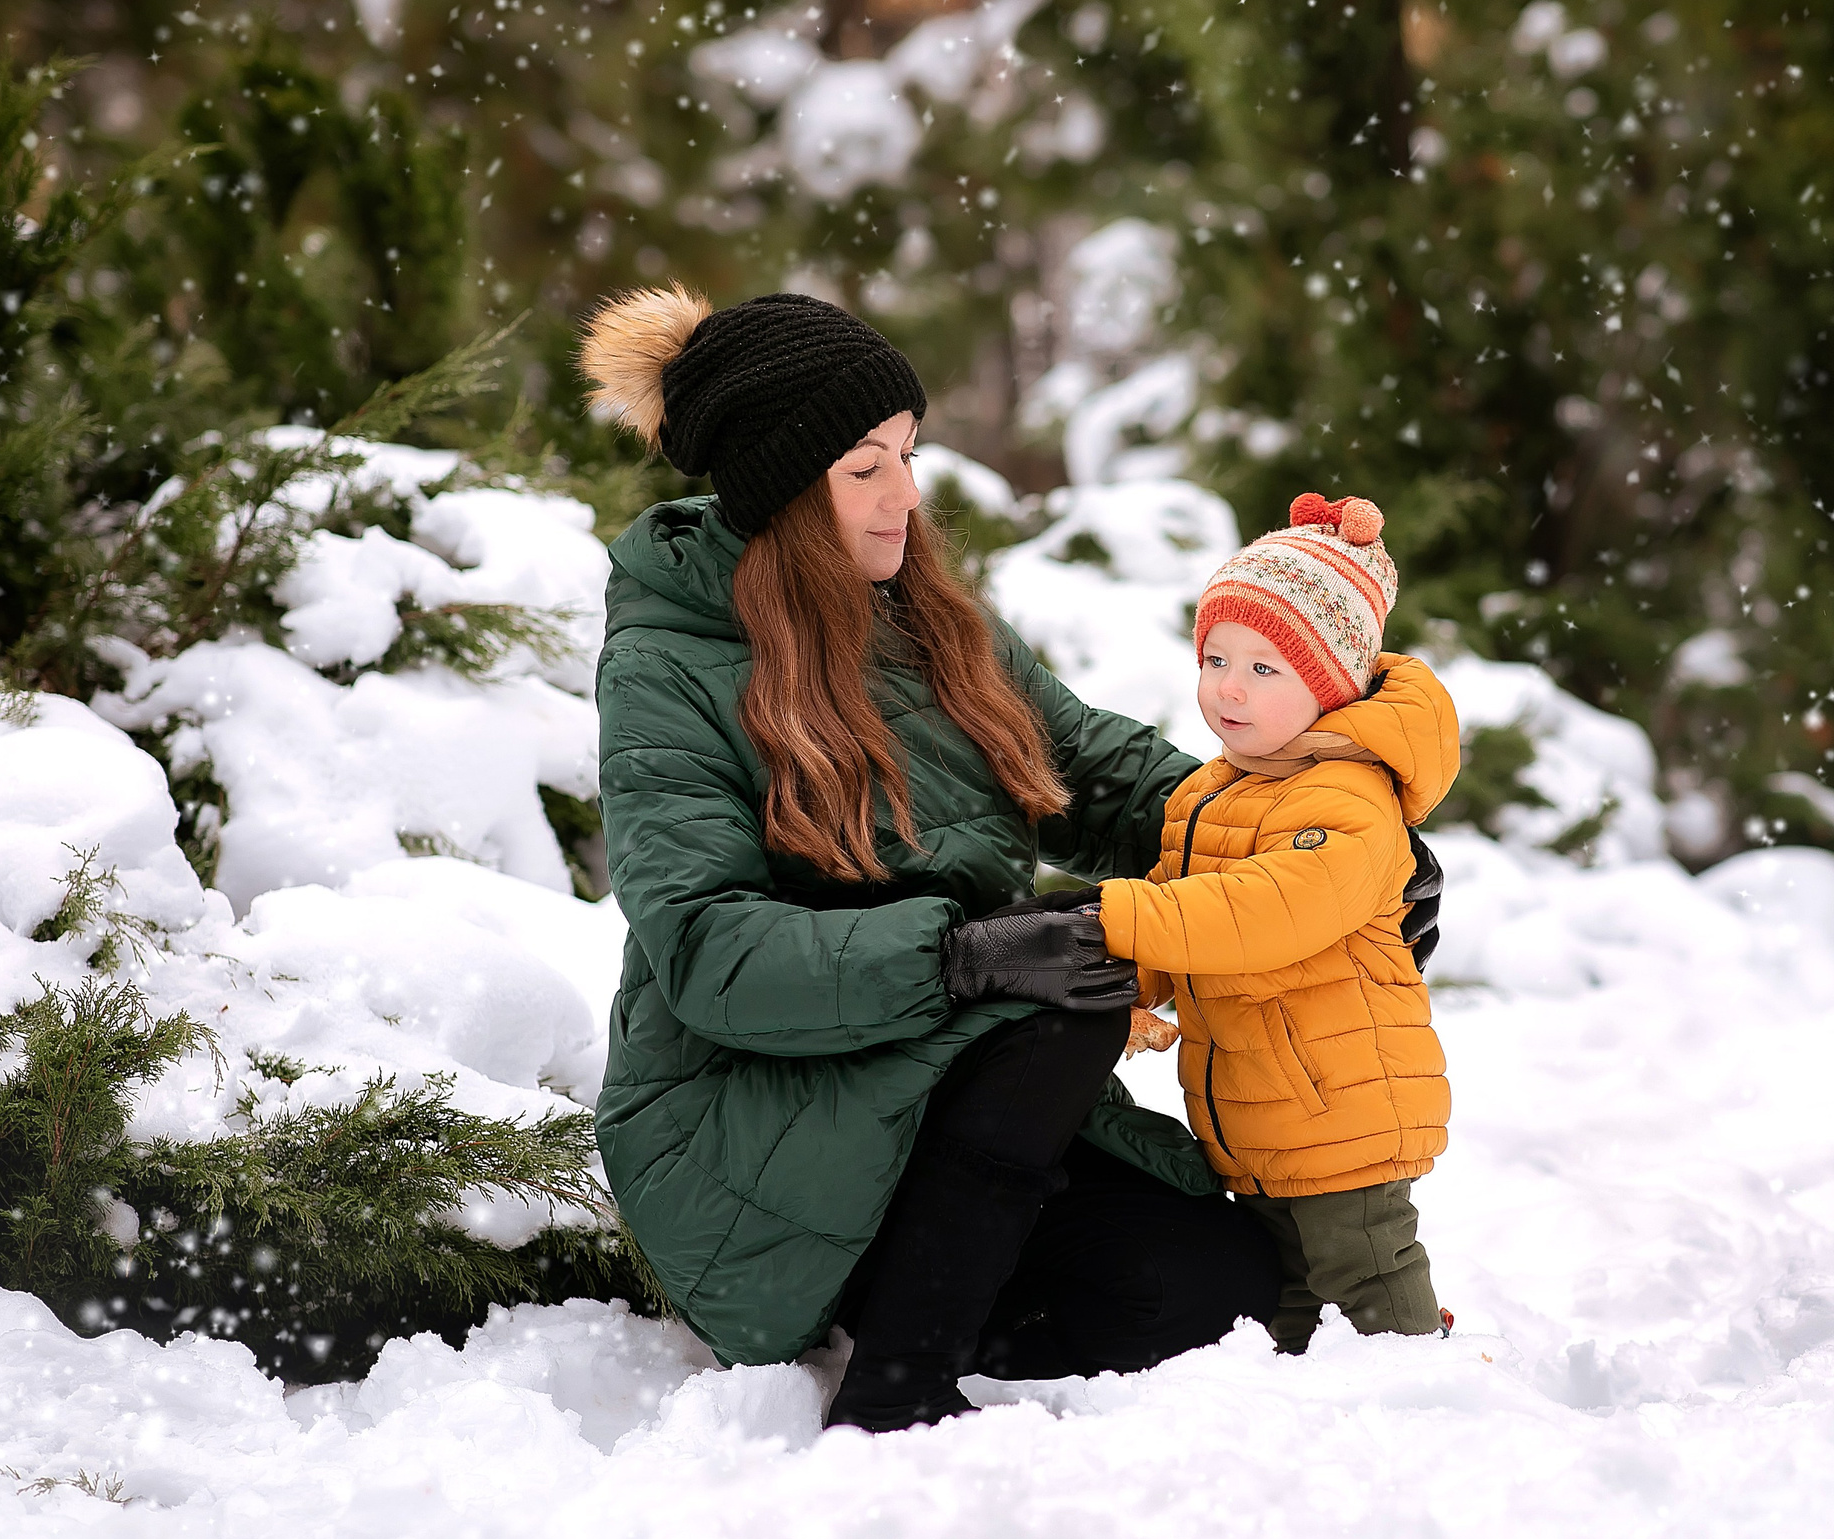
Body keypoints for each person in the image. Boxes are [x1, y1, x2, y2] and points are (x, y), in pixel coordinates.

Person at [578, 286, 1305, 1433]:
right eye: (866, 467)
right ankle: (895, 1391)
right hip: (752, 1120)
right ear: (781, 485)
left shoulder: (923, 616)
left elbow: (1093, 769)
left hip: (948, 1098)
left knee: (1227, 1293)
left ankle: (944, 1293)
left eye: (906, 456)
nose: (905, 496)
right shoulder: (670, 664)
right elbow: (709, 953)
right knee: (1075, 976)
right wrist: (964, 957)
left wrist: (1307, 838)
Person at [1091, 493, 1462, 1353]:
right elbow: (1178, 894)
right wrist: (1119, 977)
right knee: (1290, 1301)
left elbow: (1261, 913)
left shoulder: (1349, 799)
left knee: (1367, 1280)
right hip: (1260, 1116)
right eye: (1216, 656)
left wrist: (1114, 918)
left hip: (1339, 1116)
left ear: (1331, 683)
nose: (1228, 686)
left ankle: (1431, 1397)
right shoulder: (1217, 786)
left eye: (1266, 668)